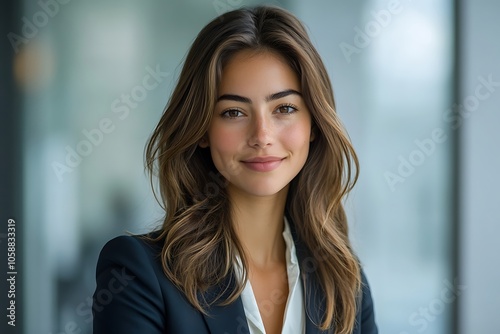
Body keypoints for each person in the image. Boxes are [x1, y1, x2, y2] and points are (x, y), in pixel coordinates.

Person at [93, 5, 377, 334]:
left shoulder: (344, 281)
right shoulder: (137, 273)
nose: (262, 136)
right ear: (201, 129)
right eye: (233, 112)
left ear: (313, 124)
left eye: (284, 108)